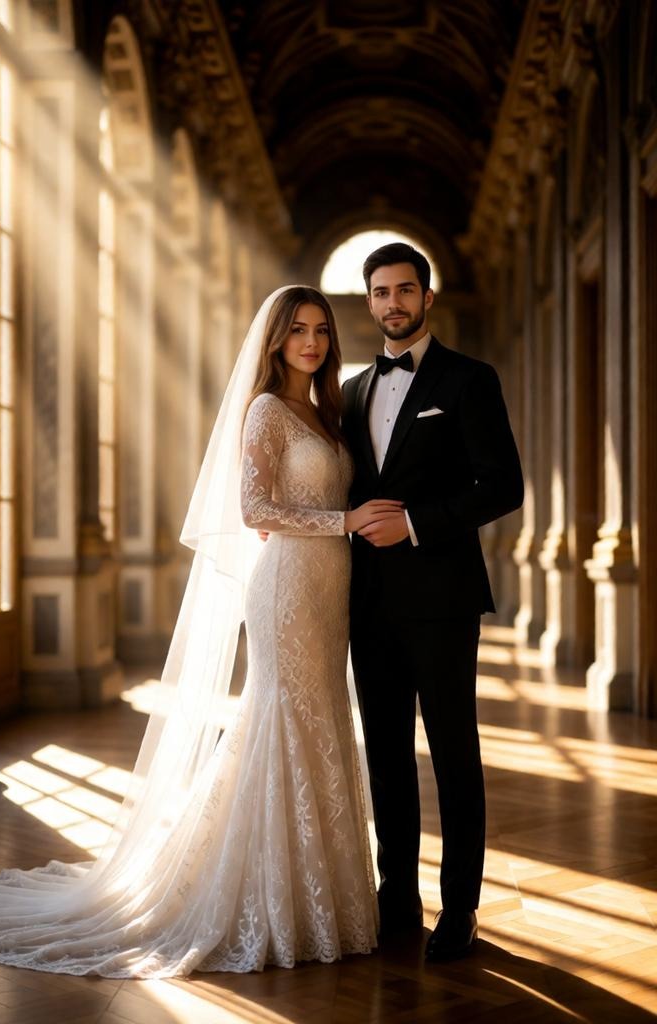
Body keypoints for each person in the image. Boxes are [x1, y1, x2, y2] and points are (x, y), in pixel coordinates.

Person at [0, 285, 398, 977]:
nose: (312, 342)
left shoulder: (324, 411)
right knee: (282, 719)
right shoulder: (264, 409)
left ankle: (323, 897)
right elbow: (254, 505)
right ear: (275, 341)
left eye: (320, 330)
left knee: (320, 720)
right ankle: (265, 898)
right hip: (287, 584)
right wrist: (341, 523)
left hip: (331, 591)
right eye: (297, 331)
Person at [342, 242, 524, 962]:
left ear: (427, 296)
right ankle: (396, 901)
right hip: (368, 604)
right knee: (385, 756)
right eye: (381, 292)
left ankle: (461, 908)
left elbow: (501, 486)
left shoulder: (469, 380)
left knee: (453, 754)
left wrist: (415, 524)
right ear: (370, 302)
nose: (394, 303)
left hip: (443, 600)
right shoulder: (351, 391)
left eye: (405, 289)